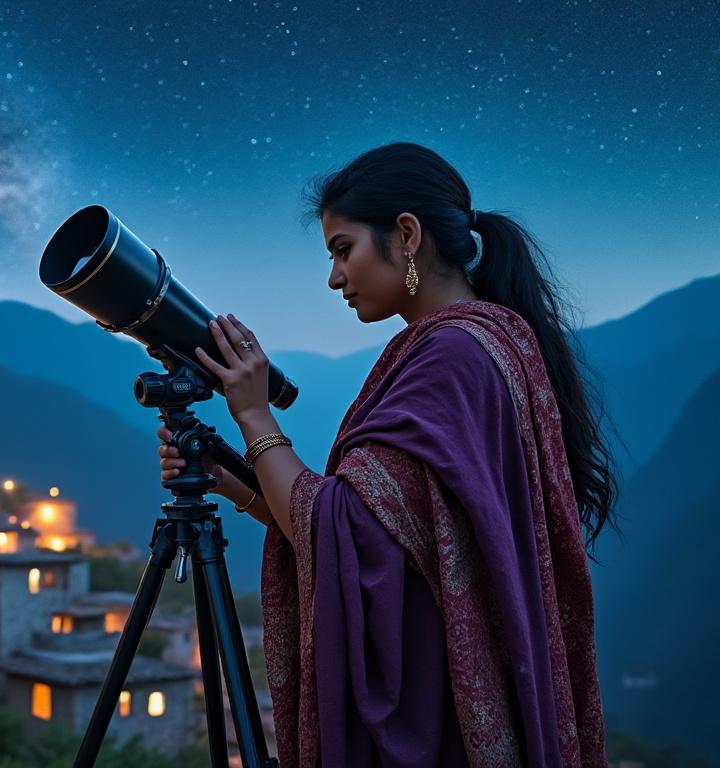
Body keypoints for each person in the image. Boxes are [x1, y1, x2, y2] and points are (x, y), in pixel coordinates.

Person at [156, 142, 616, 767]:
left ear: (405, 235)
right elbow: (376, 538)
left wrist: (253, 414)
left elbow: (345, 529)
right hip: (454, 676)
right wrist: (229, 479)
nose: (334, 277)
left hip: (436, 705)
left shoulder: (451, 358)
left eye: (343, 249)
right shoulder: (487, 342)